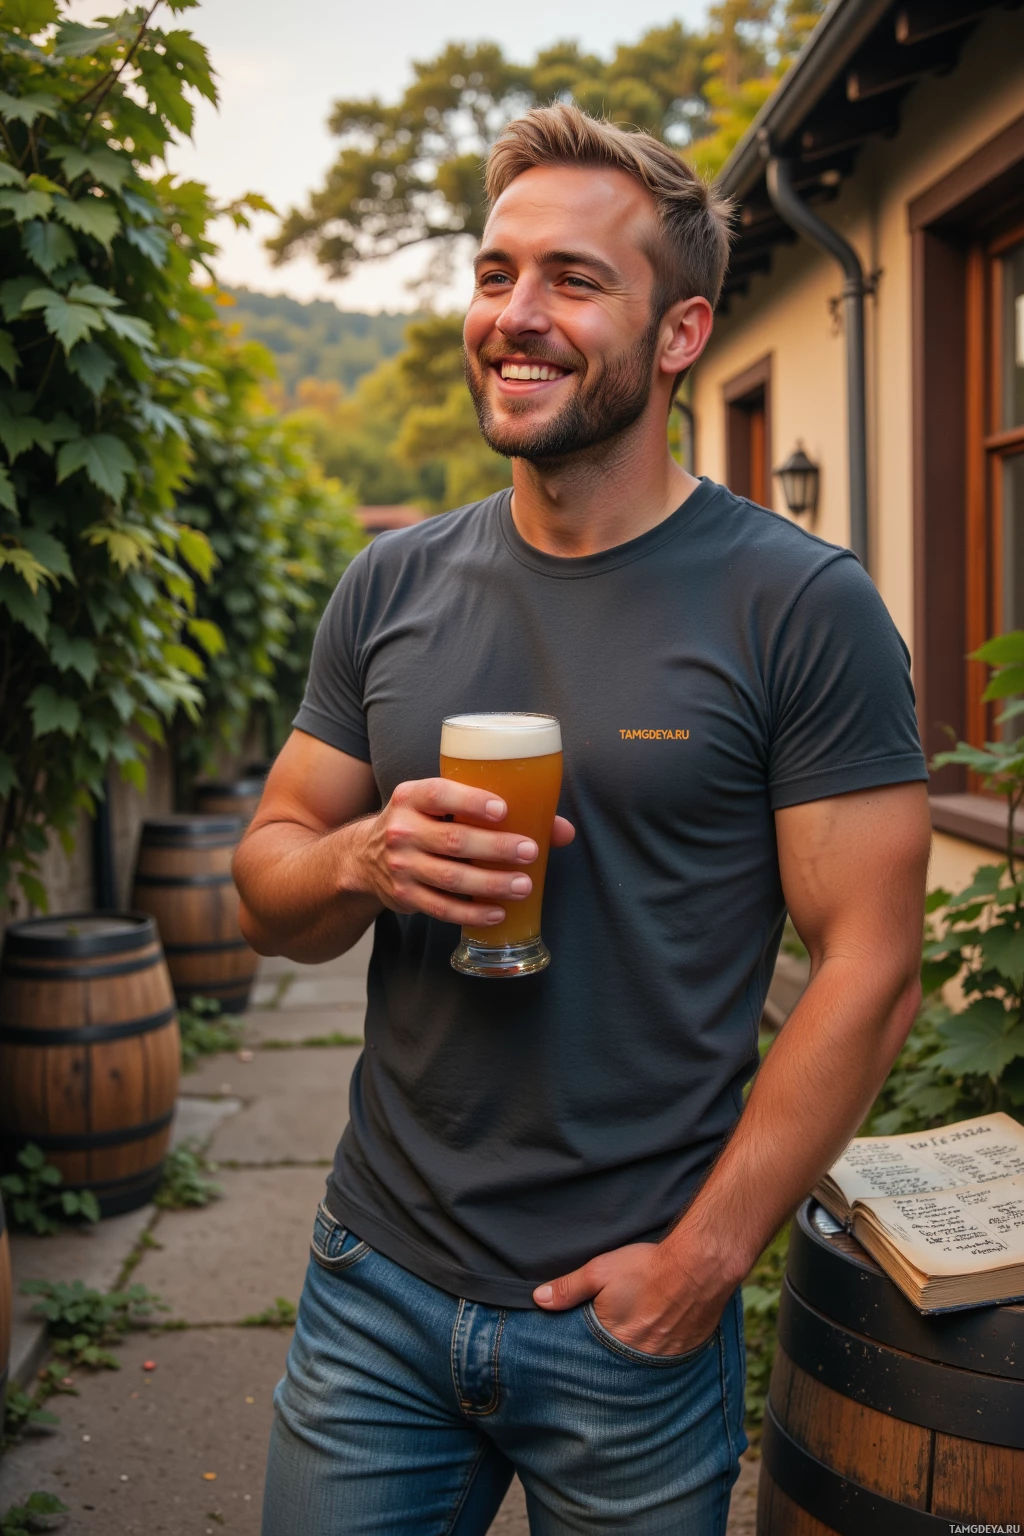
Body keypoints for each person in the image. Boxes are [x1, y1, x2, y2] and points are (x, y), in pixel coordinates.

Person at [238, 103, 931, 1536]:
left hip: (630, 1319)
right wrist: (364, 857)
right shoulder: (391, 586)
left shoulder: (799, 606)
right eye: (496, 274)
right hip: (374, 1282)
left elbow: (869, 963)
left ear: (680, 335)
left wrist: (702, 1264)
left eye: (572, 280)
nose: (516, 315)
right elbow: (270, 882)